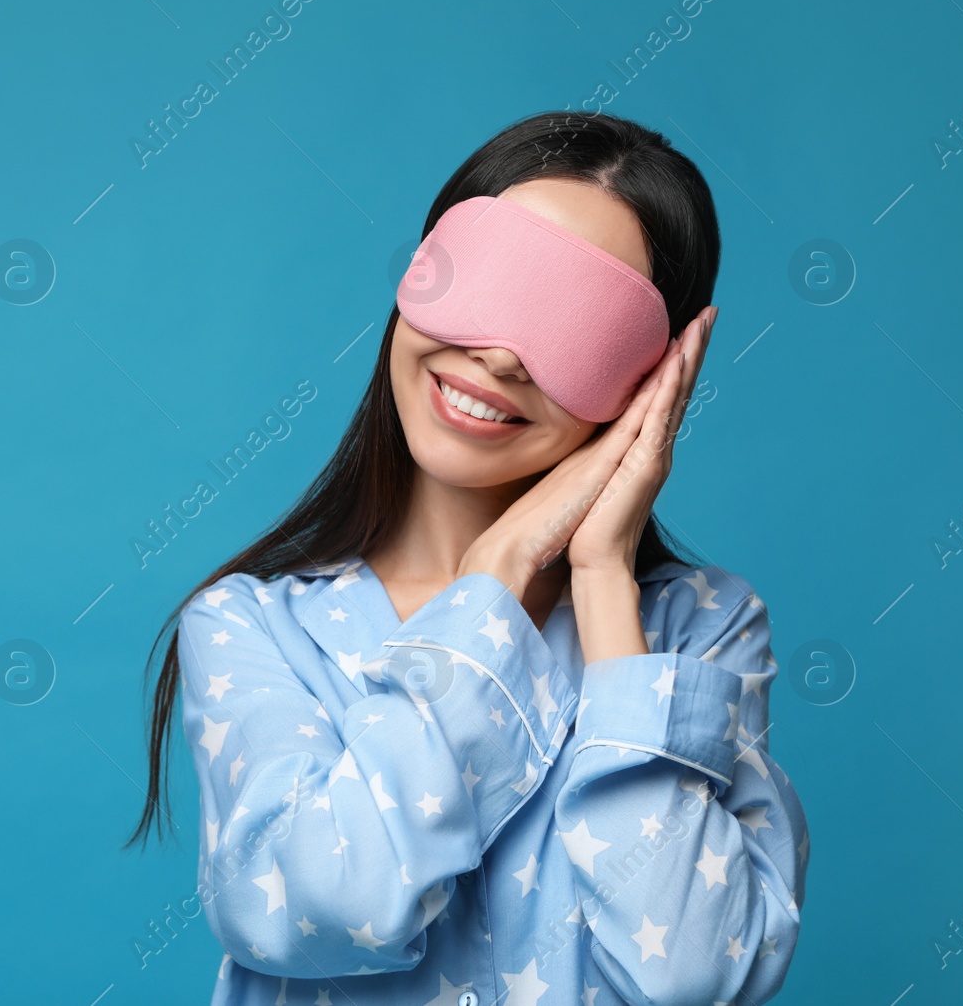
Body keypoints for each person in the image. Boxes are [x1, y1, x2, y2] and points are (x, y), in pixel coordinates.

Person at [126, 111, 808, 1006]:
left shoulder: (702, 630)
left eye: (574, 320)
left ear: (653, 381)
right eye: (492, 282)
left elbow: (695, 974)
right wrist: (499, 574)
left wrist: (602, 581)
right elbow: (318, 905)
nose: (498, 353)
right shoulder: (255, 628)